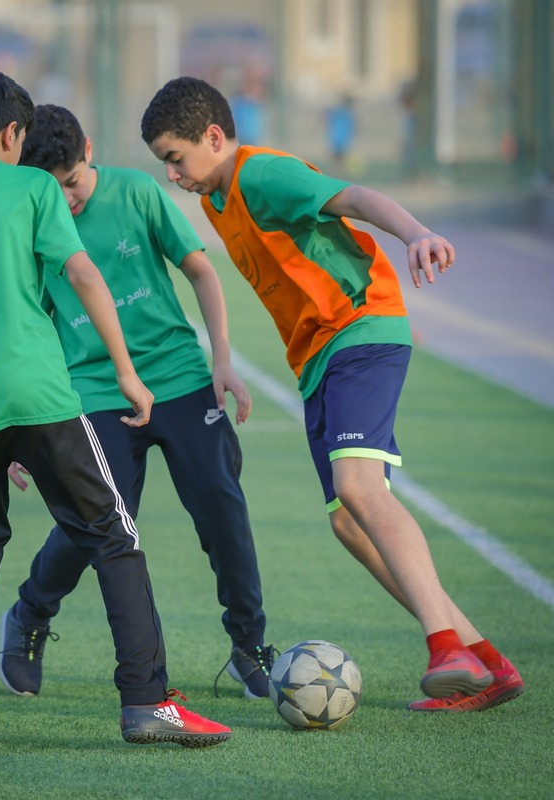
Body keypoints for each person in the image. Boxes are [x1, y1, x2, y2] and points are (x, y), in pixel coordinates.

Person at [0, 69, 231, 749]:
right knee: (113, 535)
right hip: (37, 392)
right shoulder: (35, 188)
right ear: (14, 134)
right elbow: (82, 273)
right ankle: (146, 702)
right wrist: (127, 372)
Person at [140, 76, 524, 713]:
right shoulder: (218, 202)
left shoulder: (263, 175)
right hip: (318, 360)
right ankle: (487, 662)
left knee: (358, 489)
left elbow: (356, 197)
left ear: (213, 137)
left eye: (176, 158)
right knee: (349, 522)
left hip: (359, 330)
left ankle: (444, 647)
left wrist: (416, 234)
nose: (173, 175)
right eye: (164, 164)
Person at [0, 104, 275, 702]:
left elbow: (201, 272)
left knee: (222, 506)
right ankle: (30, 614)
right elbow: (30, 332)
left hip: (178, 377)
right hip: (94, 391)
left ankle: (249, 644)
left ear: (88, 151)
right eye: (51, 189)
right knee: (98, 519)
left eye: (72, 183)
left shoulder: (137, 193)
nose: (65, 200)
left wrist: (222, 360)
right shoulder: (29, 224)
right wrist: (23, 425)